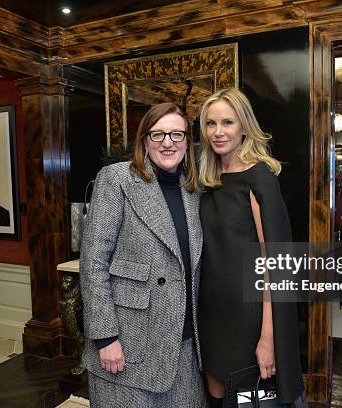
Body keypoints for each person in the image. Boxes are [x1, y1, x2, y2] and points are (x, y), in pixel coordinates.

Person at [80, 103, 206, 407]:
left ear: (187, 142)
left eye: (177, 134)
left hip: (184, 342)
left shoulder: (195, 188)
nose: (167, 142)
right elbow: (93, 261)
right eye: (158, 134)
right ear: (144, 140)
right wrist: (105, 337)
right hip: (129, 342)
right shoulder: (117, 179)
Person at [198, 88, 306, 407]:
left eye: (227, 122)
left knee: (248, 401)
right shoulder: (207, 179)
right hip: (212, 314)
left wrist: (268, 338)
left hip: (249, 319)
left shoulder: (259, 177)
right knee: (217, 397)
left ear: (244, 126)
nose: (218, 132)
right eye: (210, 123)